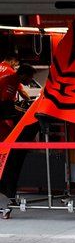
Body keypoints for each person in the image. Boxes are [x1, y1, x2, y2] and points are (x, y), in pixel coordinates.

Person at [0, 64, 37, 210]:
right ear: (23, 75)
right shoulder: (9, 81)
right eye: (30, 77)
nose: (31, 80)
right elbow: (5, 106)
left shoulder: (14, 80)